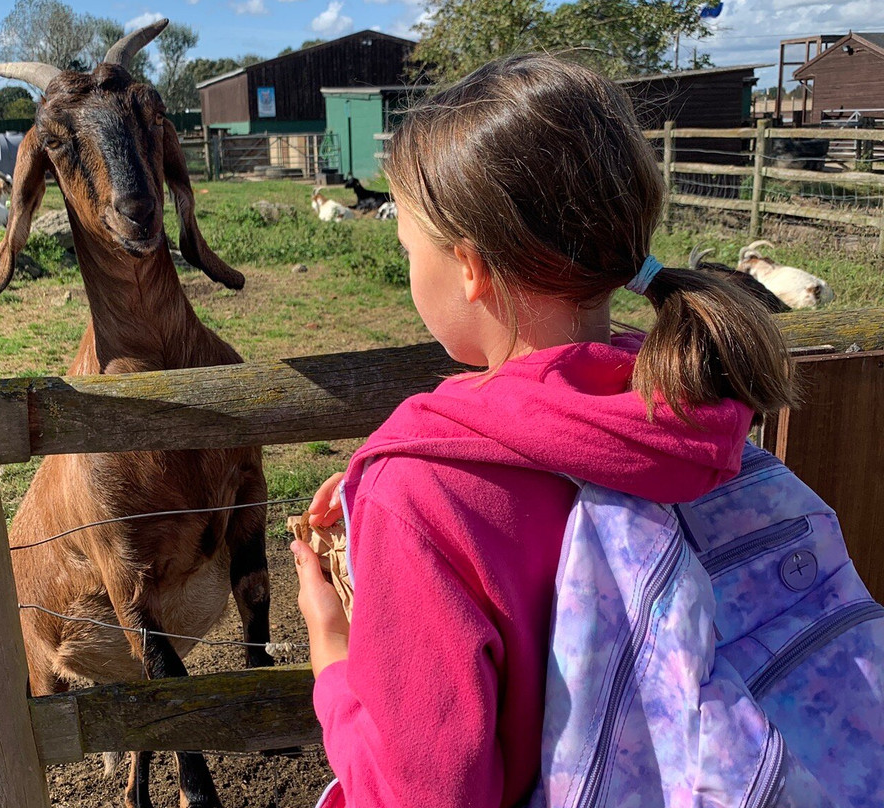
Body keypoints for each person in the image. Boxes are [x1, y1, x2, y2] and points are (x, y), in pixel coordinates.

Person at [290, 53, 798, 808]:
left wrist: (332, 658)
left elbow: (422, 795)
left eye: (408, 249)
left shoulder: (422, 493)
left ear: (468, 265)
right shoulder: (688, 399)